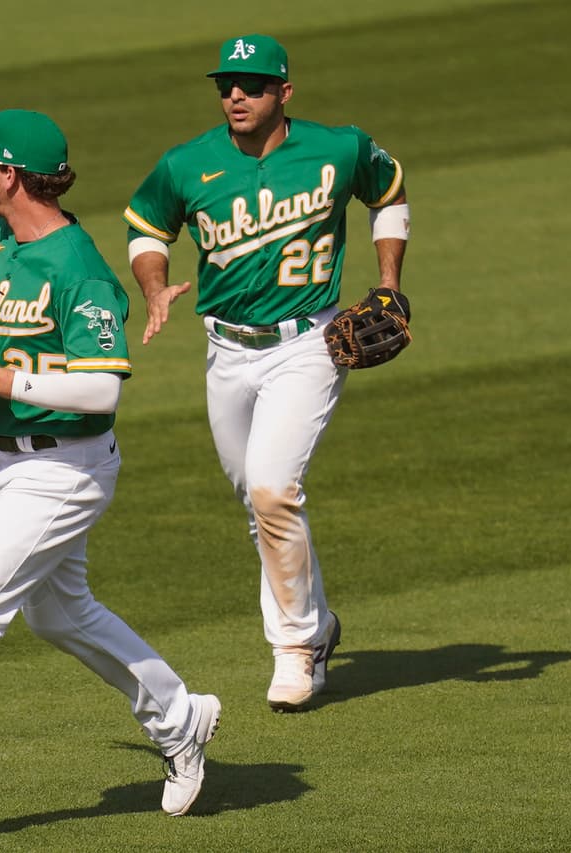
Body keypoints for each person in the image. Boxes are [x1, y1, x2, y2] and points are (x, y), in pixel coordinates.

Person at [0, 110, 221, 843]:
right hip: (16, 464)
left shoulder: (78, 268)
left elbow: (103, 387)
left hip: (66, 468)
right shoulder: (6, 241)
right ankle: (180, 717)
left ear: (15, 176)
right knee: (59, 613)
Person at [123, 34, 410, 712]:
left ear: (284, 92)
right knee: (258, 503)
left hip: (308, 344)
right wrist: (153, 286)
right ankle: (319, 623)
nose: (235, 95)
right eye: (226, 84)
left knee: (273, 488)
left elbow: (389, 192)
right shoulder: (187, 163)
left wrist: (389, 282)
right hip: (225, 351)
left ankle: (295, 647)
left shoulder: (337, 149)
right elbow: (146, 228)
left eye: (251, 85)